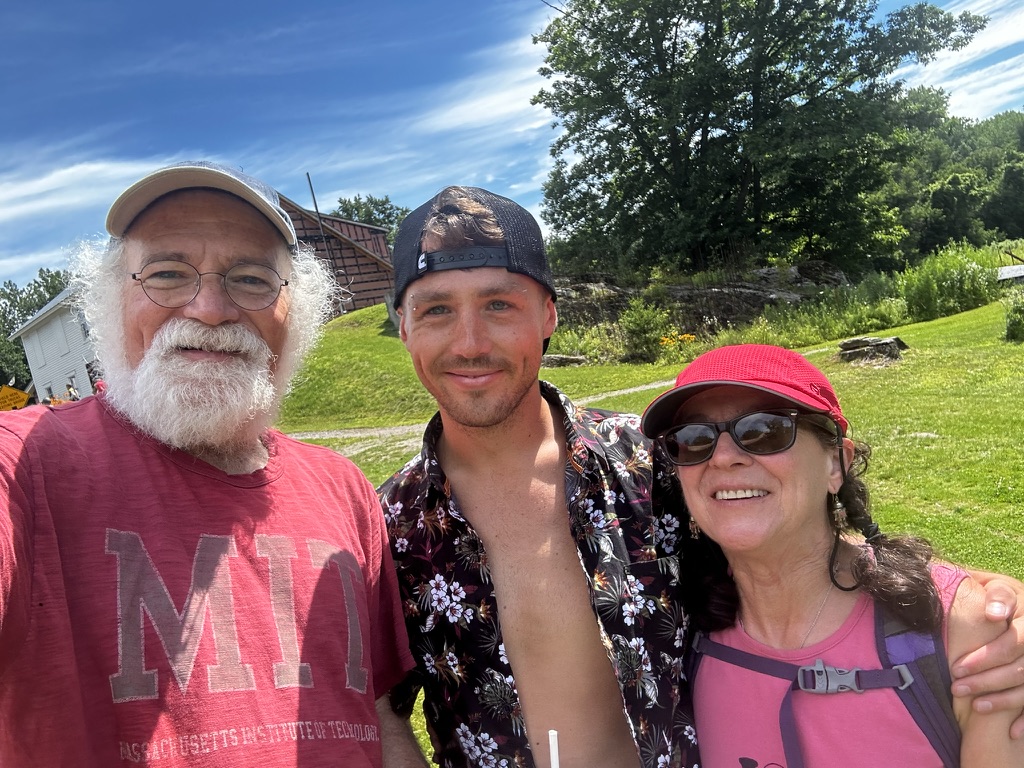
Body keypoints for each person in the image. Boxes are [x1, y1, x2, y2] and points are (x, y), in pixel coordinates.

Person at [376, 188, 1024, 768]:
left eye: (499, 304)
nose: (469, 342)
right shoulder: (384, 525)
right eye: (435, 310)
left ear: (547, 315)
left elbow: (788, 526)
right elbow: (376, 708)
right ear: (402, 325)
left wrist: (979, 604)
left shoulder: (652, 458)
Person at [0, 161, 413, 767]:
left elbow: (379, 716)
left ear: (295, 312)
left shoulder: (344, 488)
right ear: (111, 301)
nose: (211, 308)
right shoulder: (27, 464)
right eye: (167, 274)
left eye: (251, 279)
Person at [639, 344, 1024, 767]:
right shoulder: (673, 633)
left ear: (836, 463)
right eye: (693, 439)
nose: (724, 457)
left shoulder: (959, 633)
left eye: (765, 430)